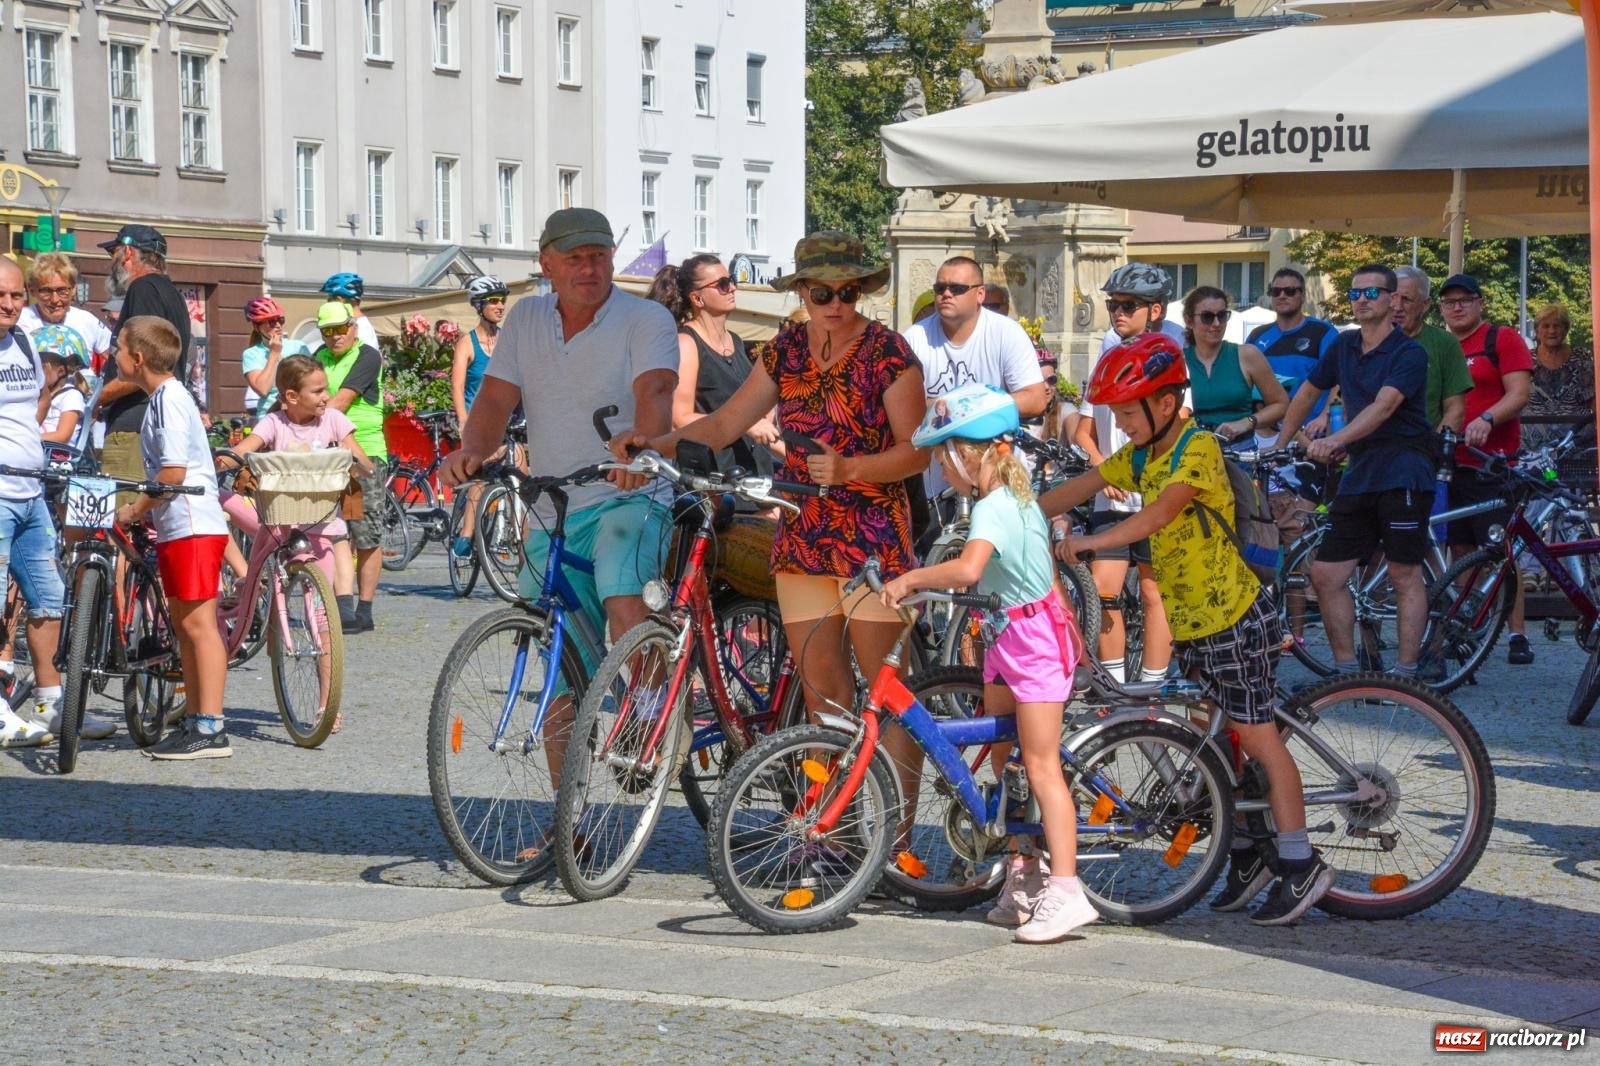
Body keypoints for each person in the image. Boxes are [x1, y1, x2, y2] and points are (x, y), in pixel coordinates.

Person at [1045, 334, 1334, 926]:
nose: (1122, 425)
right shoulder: (1142, 455)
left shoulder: (1195, 448)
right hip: (1194, 626)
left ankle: (1301, 861)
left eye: (1129, 412)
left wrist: (1095, 541)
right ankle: (1250, 850)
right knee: (1220, 741)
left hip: (1234, 617)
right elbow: (1081, 487)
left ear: (1166, 403)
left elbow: (1161, 513)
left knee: (1258, 739)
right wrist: (1018, 512)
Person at [623, 231, 926, 797]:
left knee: (890, 696)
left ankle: (901, 835)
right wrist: (651, 445)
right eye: (822, 292)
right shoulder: (785, 351)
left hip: (874, 539)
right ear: (803, 291)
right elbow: (722, 425)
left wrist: (851, 469)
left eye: (848, 292)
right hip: (803, 534)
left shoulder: (888, 352)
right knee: (822, 697)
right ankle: (832, 829)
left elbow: (918, 451)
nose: (836, 304)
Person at [880, 384, 1095, 944]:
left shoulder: (996, 507)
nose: (941, 469)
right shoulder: (1012, 499)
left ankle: (1067, 890)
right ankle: (1024, 870)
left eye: (944, 458)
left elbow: (968, 570)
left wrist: (911, 579)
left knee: (1041, 767)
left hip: (1034, 644)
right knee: (1006, 755)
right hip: (1007, 638)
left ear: (968, 455)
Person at [442, 205, 678, 676]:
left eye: (598, 256)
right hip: (552, 507)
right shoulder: (525, 318)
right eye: (574, 258)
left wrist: (643, 449)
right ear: (546, 263)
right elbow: (495, 398)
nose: (589, 268)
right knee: (559, 661)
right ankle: (570, 721)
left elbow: (655, 389)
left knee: (625, 602)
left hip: (627, 495)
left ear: (612, 257)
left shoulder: (645, 318)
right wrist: (472, 450)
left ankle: (655, 713)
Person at [1275, 264, 1435, 679]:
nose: (1361, 300)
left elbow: (1384, 407)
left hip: (1403, 469)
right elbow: (1307, 392)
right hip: (1361, 472)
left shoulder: (1409, 353)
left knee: (1403, 572)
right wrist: (1280, 443)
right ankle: (1347, 674)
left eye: (1371, 292)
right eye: (1354, 293)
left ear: (1392, 299)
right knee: (1326, 573)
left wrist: (1337, 439)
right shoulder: (1344, 344)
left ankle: (1406, 674)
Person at [220, 355, 373, 732]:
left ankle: (326, 705)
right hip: (277, 521)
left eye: (326, 389)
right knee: (220, 507)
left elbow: (356, 452)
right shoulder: (275, 423)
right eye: (317, 391)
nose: (326, 396)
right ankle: (241, 588)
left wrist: (360, 464)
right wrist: (223, 461)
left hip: (319, 526)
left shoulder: (333, 420)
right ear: (291, 396)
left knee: (322, 619)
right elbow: (248, 446)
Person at [112, 316, 231, 760]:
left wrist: (135, 510)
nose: (114, 356)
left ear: (138, 357)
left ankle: (211, 727)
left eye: (118, 348)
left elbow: (173, 473)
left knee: (199, 628)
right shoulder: (164, 398)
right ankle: (198, 719)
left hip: (191, 525)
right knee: (185, 627)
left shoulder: (168, 400)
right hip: (180, 526)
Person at [1075, 262, 1179, 686]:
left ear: (1155, 310)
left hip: (1154, 496)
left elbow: (1180, 423)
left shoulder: (1169, 358)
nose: (1118, 312)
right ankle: (1115, 686)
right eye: (1113, 305)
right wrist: (1102, 467)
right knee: (1103, 590)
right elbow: (1083, 431)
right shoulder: (1106, 357)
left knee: (1154, 591)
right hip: (1112, 495)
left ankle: (1151, 688)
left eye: (1128, 305)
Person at [0, 258, 84, 748]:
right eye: (1, 296)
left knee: (49, 599)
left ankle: (51, 703)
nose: (10, 304)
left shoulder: (25, 342)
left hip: (30, 491)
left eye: (16, 296)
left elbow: (31, 407)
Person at [1438, 273, 1535, 665]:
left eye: (1465, 299)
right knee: (1461, 550)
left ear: (1480, 303)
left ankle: (1516, 634)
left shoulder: (1500, 339)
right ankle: (1470, 627)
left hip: (1493, 465)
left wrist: (1488, 418)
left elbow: (1520, 393)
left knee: (1500, 549)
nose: (1457, 307)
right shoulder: (1441, 345)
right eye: (1449, 302)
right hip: (1450, 464)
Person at [903, 256, 1047, 497]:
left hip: (996, 482)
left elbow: (1035, 399)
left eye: (957, 288)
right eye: (940, 288)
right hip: (935, 485)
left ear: (980, 294)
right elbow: (904, 408)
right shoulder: (915, 338)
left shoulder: (1006, 333)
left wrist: (964, 409)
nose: (946, 294)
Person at [647, 255, 782, 478]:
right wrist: (744, 424)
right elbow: (680, 418)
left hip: (753, 474)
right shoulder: (687, 343)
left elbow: (755, 416)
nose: (732, 288)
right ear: (697, 298)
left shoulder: (736, 341)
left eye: (731, 280)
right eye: (722, 284)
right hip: (714, 478)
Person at [98, 226, 195, 503]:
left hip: (133, 425)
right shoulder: (172, 293)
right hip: (155, 419)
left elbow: (144, 364)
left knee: (123, 516)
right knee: (146, 518)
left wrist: (96, 400)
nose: (111, 261)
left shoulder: (142, 289)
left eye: (114, 252)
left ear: (128, 252)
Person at [313, 301, 387, 633]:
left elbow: (340, 403)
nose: (335, 336)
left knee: (364, 531)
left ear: (353, 327)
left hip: (362, 456)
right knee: (333, 529)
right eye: (327, 331)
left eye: (340, 328)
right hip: (325, 454)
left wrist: (306, 412)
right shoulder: (318, 357)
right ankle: (341, 606)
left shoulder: (367, 356)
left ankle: (364, 610)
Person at [1181, 285, 1287, 442]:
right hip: (1193, 450)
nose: (1216, 323)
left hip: (1239, 449)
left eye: (1222, 315)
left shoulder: (1247, 355)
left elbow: (1280, 404)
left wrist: (1247, 422)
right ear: (1189, 321)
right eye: (1207, 317)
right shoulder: (1179, 360)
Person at [1246, 267, 1340, 431]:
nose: (1282, 296)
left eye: (1290, 291)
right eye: (1276, 291)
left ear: (1303, 296)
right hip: (1266, 431)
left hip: (1310, 431)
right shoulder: (1257, 335)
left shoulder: (1323, 332)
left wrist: (1325, 416)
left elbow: (1339, 382)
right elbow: (1244, 382)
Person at [1392, 266, 1471, 435]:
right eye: (1392, 297)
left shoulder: (1444, 343)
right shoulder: (1368, 341)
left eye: (1406, 299)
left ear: (1425, 304)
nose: (1397, 306)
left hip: (1423, 445)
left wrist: (1435, 446)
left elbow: (1455, 409)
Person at [19, 252, 114, 377]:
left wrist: (104, 385)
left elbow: (117, 357)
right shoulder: (20, 322)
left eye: (62, 291)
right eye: (46, 291)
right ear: (32, 291)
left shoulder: (86, 320)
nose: (55, 299)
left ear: (73, 289)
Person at [1524, 302, 1594, 450]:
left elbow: (1592, 400)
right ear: (1537, 330)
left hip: (1575, 441)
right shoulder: (1525, 359)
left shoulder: (1581, 358)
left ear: (1566, 329)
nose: (1552, 331)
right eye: (1546, 326)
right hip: (1533, 445)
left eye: (1557, 326)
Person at [451, 275, 509, 428]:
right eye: (494, 300)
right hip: (476, 423)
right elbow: (457, 387)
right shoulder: (466, 344)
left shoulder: (508, 339)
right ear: (479, 305)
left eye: (503, 301)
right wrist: (463, 421)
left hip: (505, 421)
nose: (501, 306)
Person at [239, 296, 309, 418]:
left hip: (299, 413)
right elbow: (262, 389)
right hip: (270, 415)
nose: (278, 325)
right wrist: (274, 353)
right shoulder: (251, 354)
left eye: (280, 320)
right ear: (257, 327)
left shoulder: (299, 346)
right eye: (271, 322)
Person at [34, 328, 89, 446]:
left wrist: (27, 439)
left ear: (60, 371)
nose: (34, 372)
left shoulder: (71, 396)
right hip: (36, 448)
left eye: (40, 367)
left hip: (56, 453)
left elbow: (63, 436)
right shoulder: (37, 394)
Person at [321, 272, 380, 350]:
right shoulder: (360, 325)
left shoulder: (361, 330)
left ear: (339, 300)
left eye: (329, 300)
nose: (327, 304)